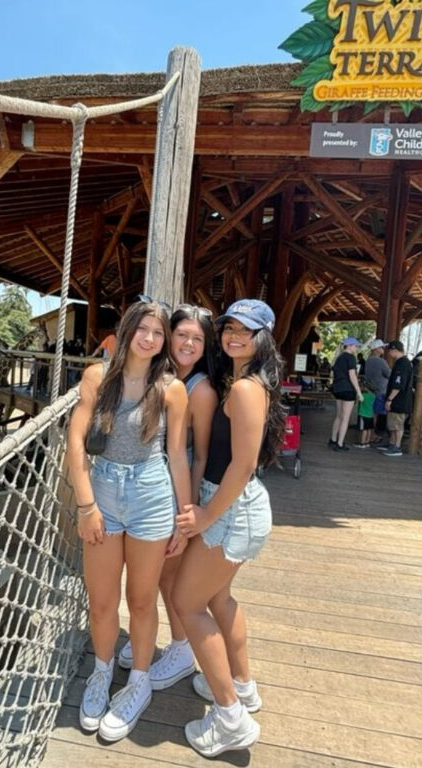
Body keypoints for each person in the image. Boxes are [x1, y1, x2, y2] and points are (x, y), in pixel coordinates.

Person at [67, 299, 191, 742]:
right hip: (103, 490)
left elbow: (176, 455)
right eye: (144, 329)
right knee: (101, 600)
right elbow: (76, 439)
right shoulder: (98, 378)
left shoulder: (172, 389)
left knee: (141, 599)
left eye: (159, 333)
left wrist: (184, 516)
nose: (151, 338)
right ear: (128, 330)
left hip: (152, 495)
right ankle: (101, 672)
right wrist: (86, 505)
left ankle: (138, 681)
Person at [172, 299, 285, 758]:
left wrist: (203, 515)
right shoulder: (249, 383)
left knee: (186, 601)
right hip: (244, 506)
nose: (234, 335)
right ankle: (243, 684)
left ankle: (230, 717)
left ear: (263, 337)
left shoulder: (243, 390)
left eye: (246, 330)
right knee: (218, 598)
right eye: (229, 328)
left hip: (233, 507)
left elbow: (242, 466)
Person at [116, 304, 219, 689]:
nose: (188, 343)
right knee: (157, 575)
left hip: (176, 487)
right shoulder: (168, 376)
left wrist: (186, 511)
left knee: (171, 577)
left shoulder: (201, 389)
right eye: (181, 335)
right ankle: (161, 641)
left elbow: (199, 454)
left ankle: (181, 647)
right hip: (151, 482)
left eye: (197, 338)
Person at [329, 337, 363, 452]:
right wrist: (358, 392)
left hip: (338, 388)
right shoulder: (351, 358)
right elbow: (352, 376)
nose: (356, 348)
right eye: (355, 345)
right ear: (349, 346)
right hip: (348, 389)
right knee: (345, 418)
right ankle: (340, 443)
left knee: (339, 416)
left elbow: (333, 373)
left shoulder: (339, 358)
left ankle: (333, 440)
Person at [379, 340, 413, 457]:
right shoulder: (400, 362)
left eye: (389, 350)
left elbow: (399, 385)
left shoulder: (403, 364)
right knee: (392, 423)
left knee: (397, 424)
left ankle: (397, 446)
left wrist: (390, 399)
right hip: (396, 400)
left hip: (399, 400)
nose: (388, 353)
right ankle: (392, 443)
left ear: (394, 350)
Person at [364, 339, 390, 435]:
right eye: (381, 347)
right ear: (375, 349)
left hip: (371, 389)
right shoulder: (380, 361)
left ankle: (370, 434)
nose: (383, 348)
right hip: (380, 391)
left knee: (372, 414)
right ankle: (374, 434)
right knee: (377, 414)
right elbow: (389, 374)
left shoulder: (369, 360)